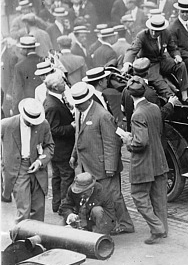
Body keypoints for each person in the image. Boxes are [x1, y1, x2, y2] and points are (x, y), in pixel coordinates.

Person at [69, 82, 135, 236]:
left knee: (113, 195)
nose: (77, 106)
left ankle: (126, 224)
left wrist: (110, 168)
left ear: (88, 99)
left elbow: (111, 143)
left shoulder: (103, 115)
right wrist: (74, 155)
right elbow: (78, 135)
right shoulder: (80, 112)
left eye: (79, 104)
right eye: (76, 104)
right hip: (86, 163)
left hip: (103, 166)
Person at [121, 78, 169, 244]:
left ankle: (157, 228)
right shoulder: (154, 107)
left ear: (129, 94)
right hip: (159, 160)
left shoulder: (137, 114)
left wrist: (128, 140)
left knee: (139, 196)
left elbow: (140, 142)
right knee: (159, 198)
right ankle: (163, 229)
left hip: (143, 164)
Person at [1, 98, 54, 222]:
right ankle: (19, 239)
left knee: (38, 209)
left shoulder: (43, 124)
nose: (32, 123)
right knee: (24, 210)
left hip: (38, 168)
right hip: (17, 169)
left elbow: (50, 146)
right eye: (29, 121)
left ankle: (35, 239)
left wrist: (40, 162)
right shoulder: (6, 125)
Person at [122, 14, 188, 102]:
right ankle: (172, 99)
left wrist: (177, 56)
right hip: (149, 65)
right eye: (152, 30)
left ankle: (185, 96)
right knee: (160, 83)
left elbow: (173, 48)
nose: (154, 33)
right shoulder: (142, 36)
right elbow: (132, 50)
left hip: (161, 60)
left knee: (181, 65)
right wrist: (127, 64)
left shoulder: (166, 33)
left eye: (157, 31)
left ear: (162, 30)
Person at [42, 71, 75, 213]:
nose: (65, 84)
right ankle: (64, 206)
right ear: (55, 87)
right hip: (62, 149)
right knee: (66, 176)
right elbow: (54, 129)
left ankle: (57, 204)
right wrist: (71, 126)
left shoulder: (53, 100)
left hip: (57, 150)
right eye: (62, 83)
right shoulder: (53, 105)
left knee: (57, 177)